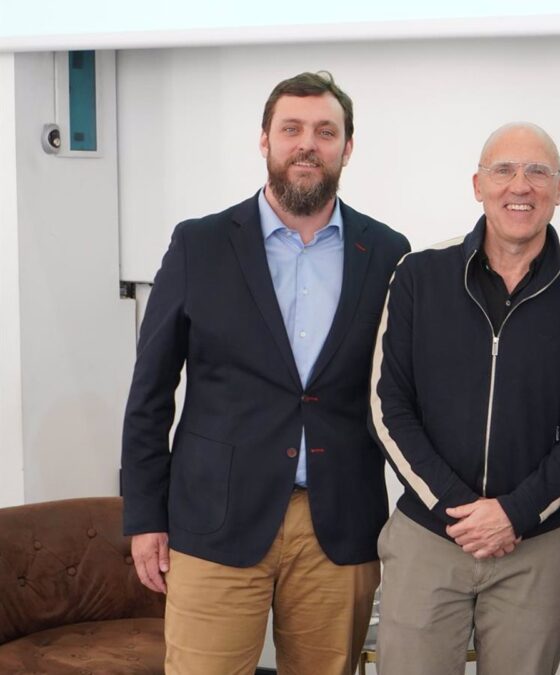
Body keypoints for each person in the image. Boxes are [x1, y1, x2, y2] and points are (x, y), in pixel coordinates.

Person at [121, 71, 410, 674]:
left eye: (325, 132)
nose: (308, 144)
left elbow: (401, 391)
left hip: (340, 525)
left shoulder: (387, 252)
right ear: (265, 140)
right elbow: (150, 391)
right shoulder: (200, 244)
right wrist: (144, 515)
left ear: (347, 148)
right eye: (291, 129)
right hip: (214, 519)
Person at [369, 122, 560, 675]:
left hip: (537, 546)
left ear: (558, 190)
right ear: (478, 185)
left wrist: (514, 514)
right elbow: (388, 405)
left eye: (537, 172)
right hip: (429, 535)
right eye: (503, 170)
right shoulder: (419, 274)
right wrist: (460, 511)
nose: (519, 186)